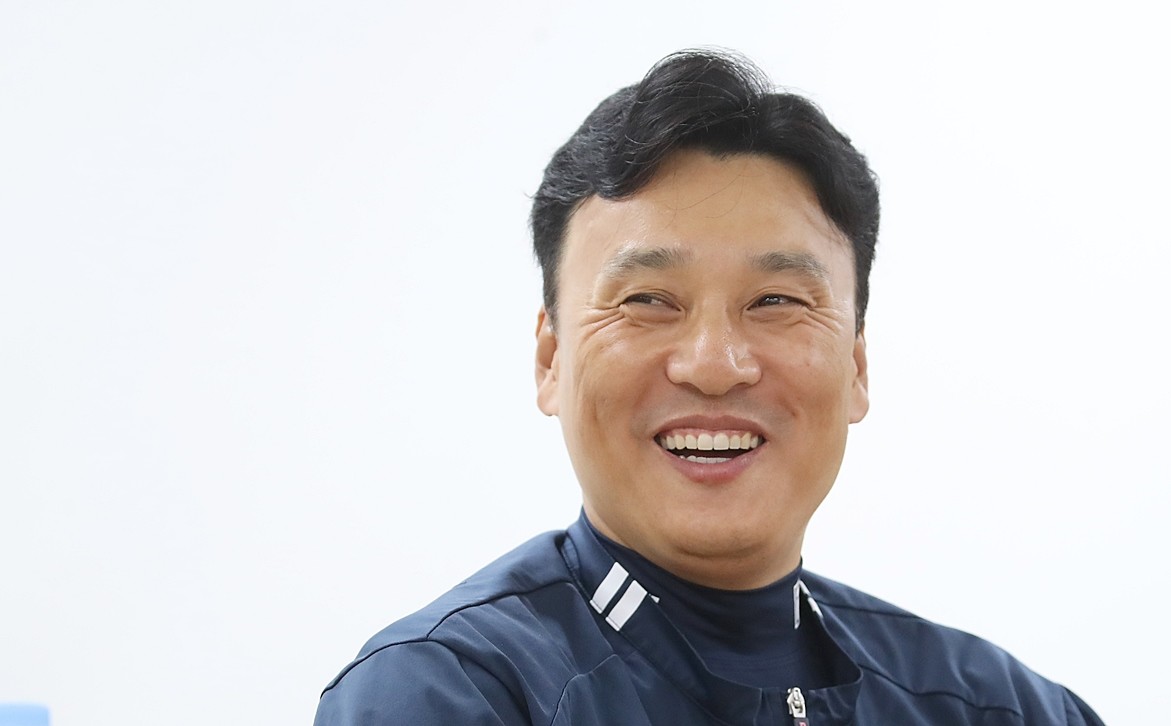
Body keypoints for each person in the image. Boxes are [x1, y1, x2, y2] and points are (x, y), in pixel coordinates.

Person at [313, 49, 1104, 725]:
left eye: (776, 302)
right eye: (647, 301)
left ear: (857, 366)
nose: (715, 363)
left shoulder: (996, 707)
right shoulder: (450, 694)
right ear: (551, 358)